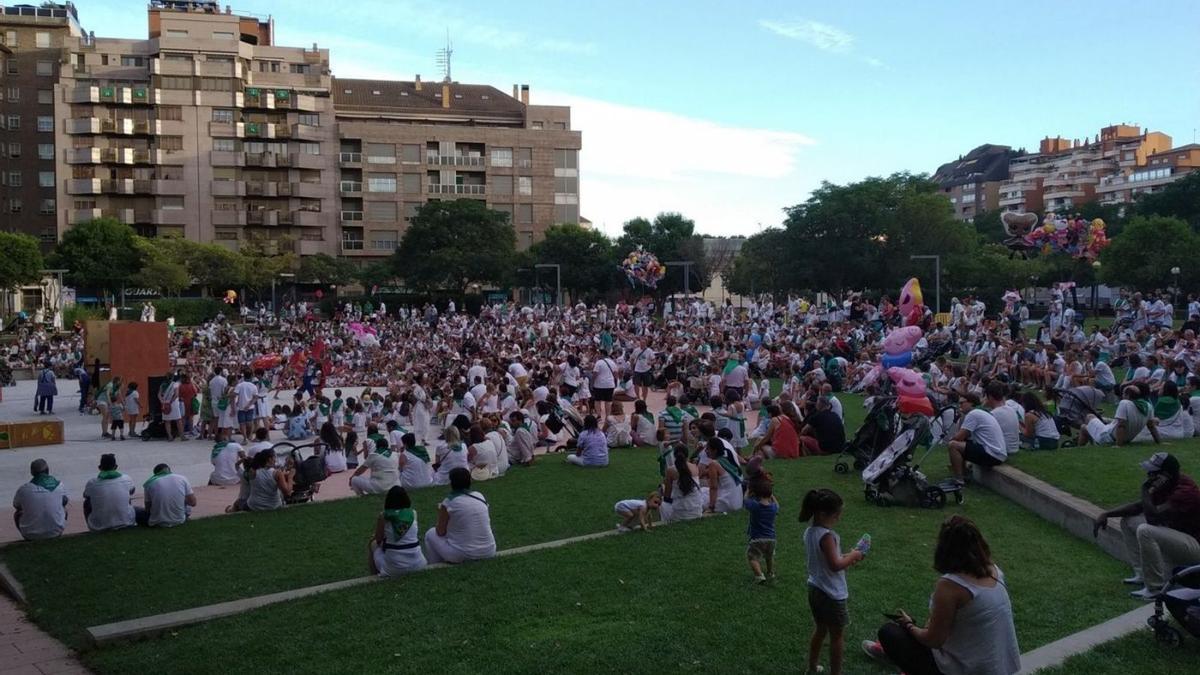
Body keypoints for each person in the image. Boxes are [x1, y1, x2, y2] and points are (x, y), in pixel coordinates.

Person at [864, 516, 1020, 675]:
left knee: (890, 633)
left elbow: (934, 640)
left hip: (967, 670)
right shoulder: (994, 570)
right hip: (999, 667)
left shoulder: (950, 586)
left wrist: (909, 625)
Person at [1094, 452, 1200, 600]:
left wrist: (1145, 490)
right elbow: (1138, 507)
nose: (1149, 475)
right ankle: (1141, 575)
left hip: (1195, 549)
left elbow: (1153, 518)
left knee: (1146, 530)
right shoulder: (1168, 484)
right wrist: (1107, 514)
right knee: (1129, 520)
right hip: (1181, 539)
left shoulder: (1185, 491)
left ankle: (1155, 588)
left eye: (1153, 473)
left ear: (1165, 475)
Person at [801, 489, 867, 675]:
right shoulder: (827, 536)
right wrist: (854, 554)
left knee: (820, 629)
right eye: (837, 514)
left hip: (815, 588)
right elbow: (836, 565)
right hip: (831, 593)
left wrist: (848, 557)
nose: (838, 518)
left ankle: (812, 668)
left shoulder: (810, 532)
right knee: (837, 637)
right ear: (823, 514)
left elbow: (829, 560)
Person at [423, 468, 497, 564]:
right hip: (489, 550)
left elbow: (440, 532)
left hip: (464, 554)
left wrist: (441, 513)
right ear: (470, 480)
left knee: (430, 534)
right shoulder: (479, 496)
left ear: (451, 483)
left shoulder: (449, 502)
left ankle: (435, 565)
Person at [947, 393, 1007, 485]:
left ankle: (959, 479)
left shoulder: (973, 414)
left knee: (953, 445)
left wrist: (950, 439)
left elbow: (959, 437)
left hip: (992, 454)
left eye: (962, 403)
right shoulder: (979, 412)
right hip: (997, 453)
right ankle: (964, 474)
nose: (960, 406)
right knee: (961, 443)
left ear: (971, 403)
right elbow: (964, 437)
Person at [368, 486, 427, 576]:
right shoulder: (413, 513)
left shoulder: (384, 516)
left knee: (373, 544)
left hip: (394, 569)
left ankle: (373, 576)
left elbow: (378, 540)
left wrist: (378, 537)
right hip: (419, 564)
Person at [1079, 385, 1160, 446]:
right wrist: (1159, 442)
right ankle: (1092, 441)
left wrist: (1118, 445)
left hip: (1108, 438)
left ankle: (1080, 448)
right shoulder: (1148, 406)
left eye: (1123, 394)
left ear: (1127, 395)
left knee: (1086, 422)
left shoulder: (1125, 403)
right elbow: (1151, 426)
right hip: (1126, 439)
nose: (1122, 396)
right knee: (1093, 419)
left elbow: (1121, 425)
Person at [12, 459, 69, 540]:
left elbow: (16, 505)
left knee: (18, 513)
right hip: (56, 532)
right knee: (63, 508)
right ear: (48, 470)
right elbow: (65, 501)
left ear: (32, 473)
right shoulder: (59, 485)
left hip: (30, 535)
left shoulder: (24, 489)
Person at [83, 453, 136, 532]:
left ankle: (91, 526)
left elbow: (86, 495)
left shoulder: (92, 483)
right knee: (127, 496)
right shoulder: (126, 478)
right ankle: (123, 518)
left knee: (87, 502)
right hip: (127, 522)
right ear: (116, 467)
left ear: (99, 468)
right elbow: (132, 491)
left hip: (99, 526)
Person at [743, 475, 778, 585]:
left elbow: (745, 501)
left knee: (752, 557)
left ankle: (759, 575)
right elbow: (777, 504)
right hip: (771, 538)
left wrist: (748, 490)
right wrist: (772, 495)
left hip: (757, 538)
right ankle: (771, 573)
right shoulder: (773, 508)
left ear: (756, 494)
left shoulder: (755, 506)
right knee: (769, 556)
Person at [141, 463, 196, 527]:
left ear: (155, 474)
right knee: (187, 501)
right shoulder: (182, 478)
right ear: (169, 470)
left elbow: (147, 509)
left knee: (138, 511)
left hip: (157, 522)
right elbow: (193, 503)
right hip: (179, 520)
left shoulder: (149, 483)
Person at [659, 444, 703, 523]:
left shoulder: (671, 470)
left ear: (674, 455)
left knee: (663, 503)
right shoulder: (695, 467)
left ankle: (665, 522)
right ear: (687, 455)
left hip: (679, 513)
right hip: (697, 511)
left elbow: (667, 497)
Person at [702, 437, 743, 514]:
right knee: (703, 490)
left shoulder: (713, 464)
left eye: (708, 449)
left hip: (727, 502)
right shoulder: (726, 460)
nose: (705, 451)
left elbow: (713, 488)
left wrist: (711, 507)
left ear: (715, 450)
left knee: (699, 500)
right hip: (737, 501)